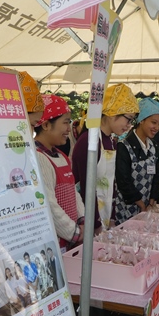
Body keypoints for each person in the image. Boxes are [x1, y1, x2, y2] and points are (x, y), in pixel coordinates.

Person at [72, 83, 139, 229]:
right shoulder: (89, 141)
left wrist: (112, 218)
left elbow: (111, 184)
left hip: (105, 216)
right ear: (111, 113)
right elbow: (86, 187)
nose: (129, 125)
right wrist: (95, 224)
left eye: (132, 121)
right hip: (86, 220)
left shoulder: (111, 141)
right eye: (128, 119)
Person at [35, 94, 86, 252]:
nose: (69, 128)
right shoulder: (39, 157)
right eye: (65, 122)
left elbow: (73, 191)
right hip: (58, 242)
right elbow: (49, 205)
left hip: (72, 236)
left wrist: (82, 219)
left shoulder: (61, 155)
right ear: (46, 125)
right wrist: (75, 232)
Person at [114, 97, 159, 224]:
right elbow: (123, 181)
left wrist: (152, 200)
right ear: (141, 120)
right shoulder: (124, 146)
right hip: (126, 209)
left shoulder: (153, 145)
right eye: (154, 122)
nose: (157, 127)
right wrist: (141, 204)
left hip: (147, 207)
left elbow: (157, 176)